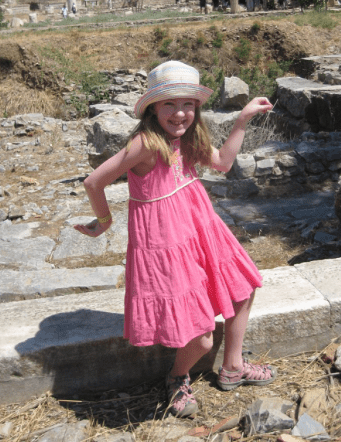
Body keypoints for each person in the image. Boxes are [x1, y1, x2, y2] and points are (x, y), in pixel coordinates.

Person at [74, 61, 277, 418]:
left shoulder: (190, 135)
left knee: (244, 287)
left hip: (199, 226)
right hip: (164, 242)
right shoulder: (145, 143)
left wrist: (242, 120)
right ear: (153, 106)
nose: (180, 112)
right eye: (169, 103)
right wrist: (104, 222)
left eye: (188, 104)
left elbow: (223, 163)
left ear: (196, 107)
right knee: (201, 337)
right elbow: (94, 182)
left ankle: (232, 366)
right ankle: (177, 376)